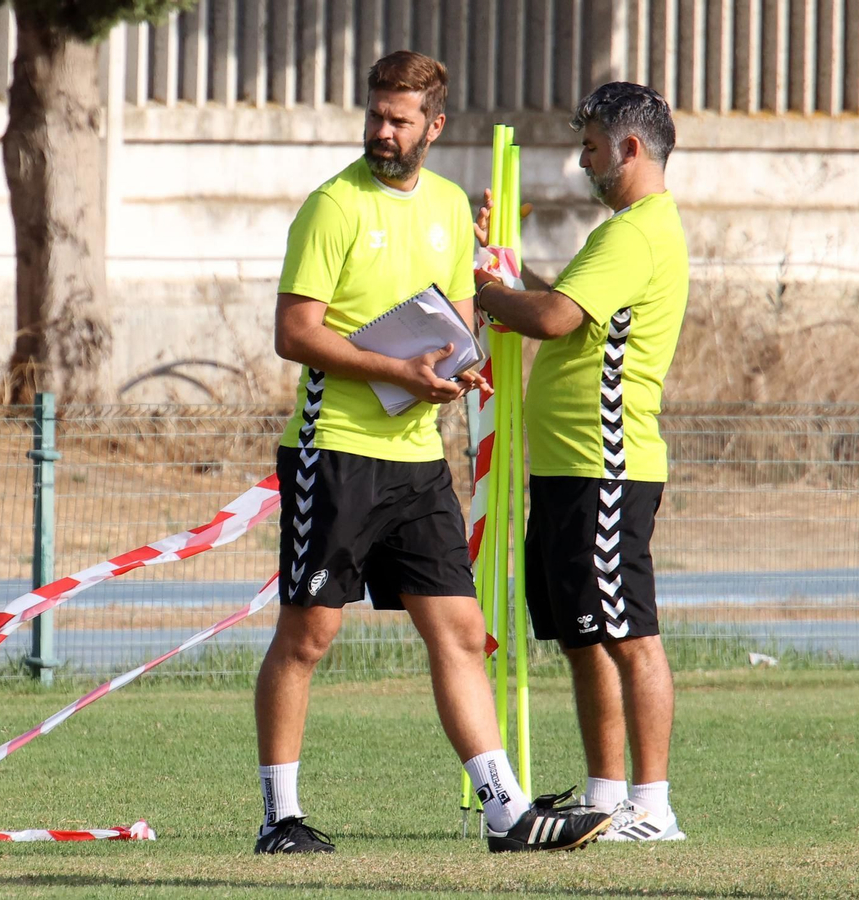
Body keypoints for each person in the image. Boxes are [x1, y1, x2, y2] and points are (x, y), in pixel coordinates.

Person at [253, 49, 612, 855]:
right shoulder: (331, 208)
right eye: (375, 115)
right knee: (307, 636)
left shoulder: (451, 207)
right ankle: (280, 820)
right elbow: (294, 333)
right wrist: (396, 371)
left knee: (458, 630)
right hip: (335, 453)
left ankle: (503, 811)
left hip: (419, 460)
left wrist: (461, 366)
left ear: (434, 126)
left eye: (399, 119)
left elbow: (455, 323)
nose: (382, 131)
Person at [473, 82, 689, 842]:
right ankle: (607, 799)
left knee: (628, 633)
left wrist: (484, 290)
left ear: (631, 149)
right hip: (567, 469)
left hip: (608, 466)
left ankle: (653, 808)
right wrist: (502, 277)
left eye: (592, 147)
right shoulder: (623, 234)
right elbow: (563, 308)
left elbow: (553, 317)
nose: (582, 160)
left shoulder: (637, 232)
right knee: (582, 634)